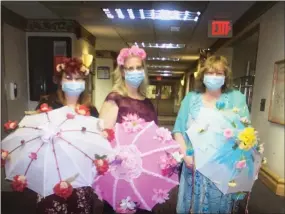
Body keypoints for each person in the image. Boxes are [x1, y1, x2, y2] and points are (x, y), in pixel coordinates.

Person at [173, 55, 250, 213]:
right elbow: (178, 130)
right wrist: (185, 156)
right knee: (193, 205)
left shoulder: (237, 98)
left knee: (219, 206)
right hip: (194, 165)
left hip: (222, 167)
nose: (214, 77)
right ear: (202, 76)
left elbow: (245, 133)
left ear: (226, 76)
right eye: (210, 72)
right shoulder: (191, 99)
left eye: (219, 73)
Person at [35, 57, 99, 214]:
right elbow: (35, 137)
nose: (73, 82)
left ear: (84, 82)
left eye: (78, 78)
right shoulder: (48, 106)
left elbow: (97, 143)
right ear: (60, 81)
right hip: (52, 172)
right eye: (68, 77)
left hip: (80, 173)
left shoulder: (91, 110)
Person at [99, 46, 158, 213]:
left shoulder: (147, 102)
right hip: (121, 170)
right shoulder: (115, 98)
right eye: (130, 68)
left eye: (139, 67)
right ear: (123, 72)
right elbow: (103, 135)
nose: (135, 71)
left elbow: (153, 136)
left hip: (142, 169)